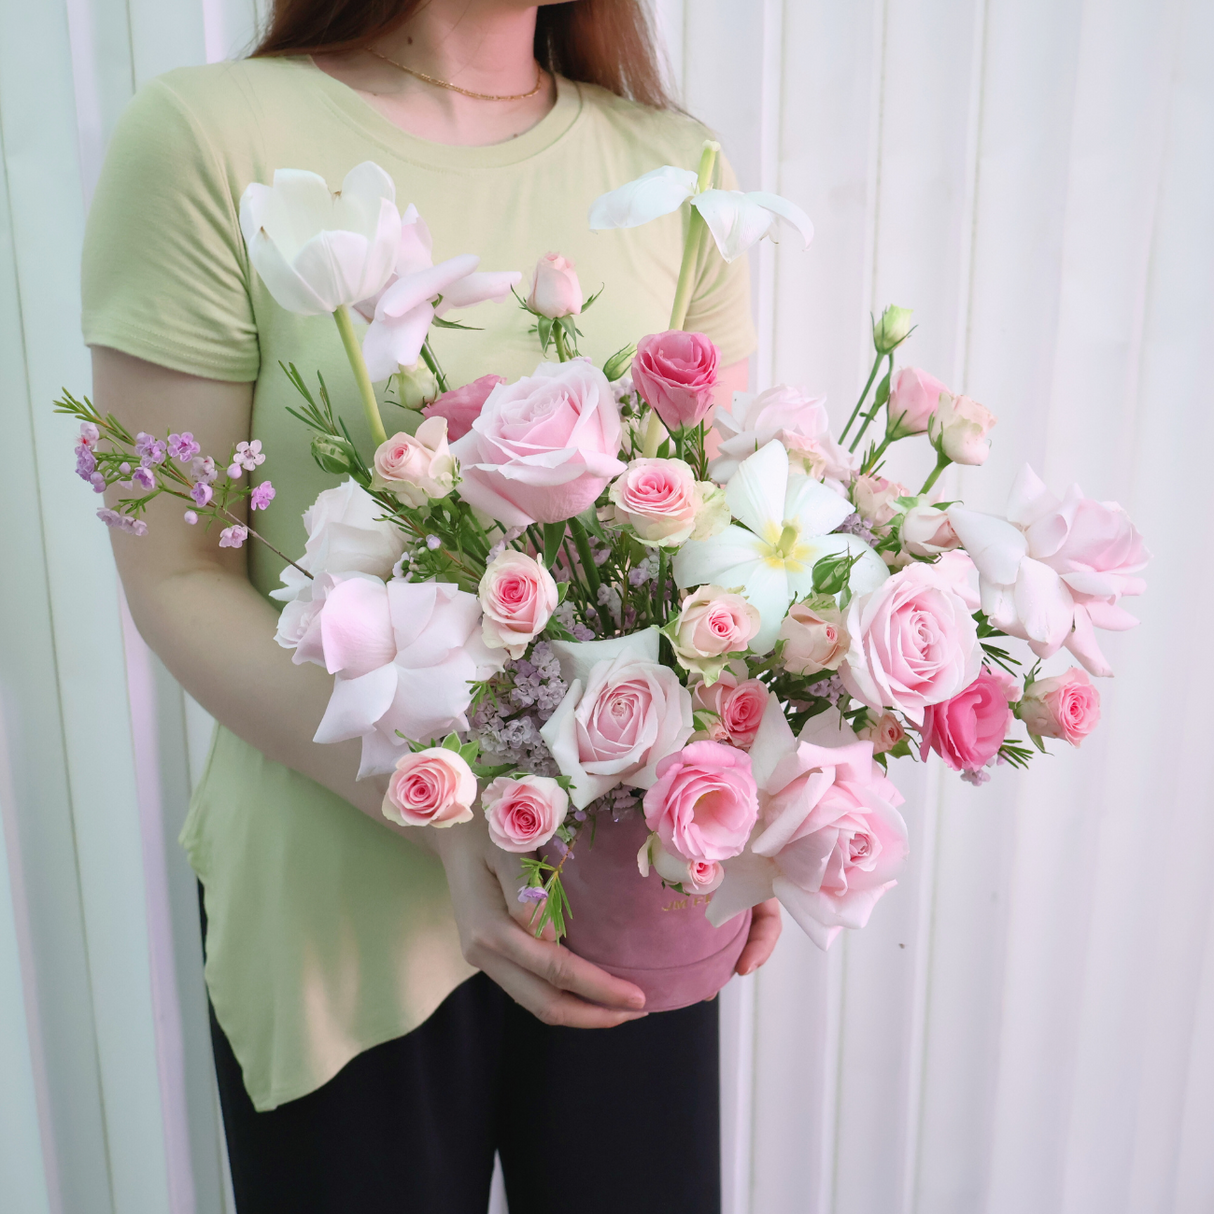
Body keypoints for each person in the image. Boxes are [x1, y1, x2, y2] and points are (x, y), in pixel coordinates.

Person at [82, 1, 781, 1209]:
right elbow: (175, 570)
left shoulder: (671, 166)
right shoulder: (209, 138)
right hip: (333, 900)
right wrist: (452, 815)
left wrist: (754, 807)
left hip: (622, 889)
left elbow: (713, 544)